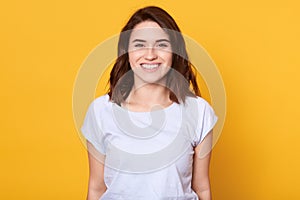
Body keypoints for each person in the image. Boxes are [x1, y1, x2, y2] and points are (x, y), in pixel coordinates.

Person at [81, 6, 218, 200]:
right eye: (139, 45)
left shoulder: (199, 111)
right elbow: (96, 188)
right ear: (126, 51)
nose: (150, 54)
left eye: (162, 44)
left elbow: (202, 188)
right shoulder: (101, 111)